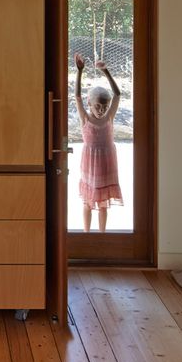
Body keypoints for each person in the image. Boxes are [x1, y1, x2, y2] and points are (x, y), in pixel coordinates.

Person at [74, 52, 123, 233]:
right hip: (90, 165)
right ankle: (87, 235)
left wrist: (106, 71)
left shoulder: (109, 117)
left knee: (103, 204)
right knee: (88, 202)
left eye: (104, 106)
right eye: (97, 106)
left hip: (106, 165)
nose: (101, 110)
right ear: (90, 104)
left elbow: (117, 94)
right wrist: (80, 71)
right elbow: (77, 96)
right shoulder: (85, 119)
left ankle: (102, 235)